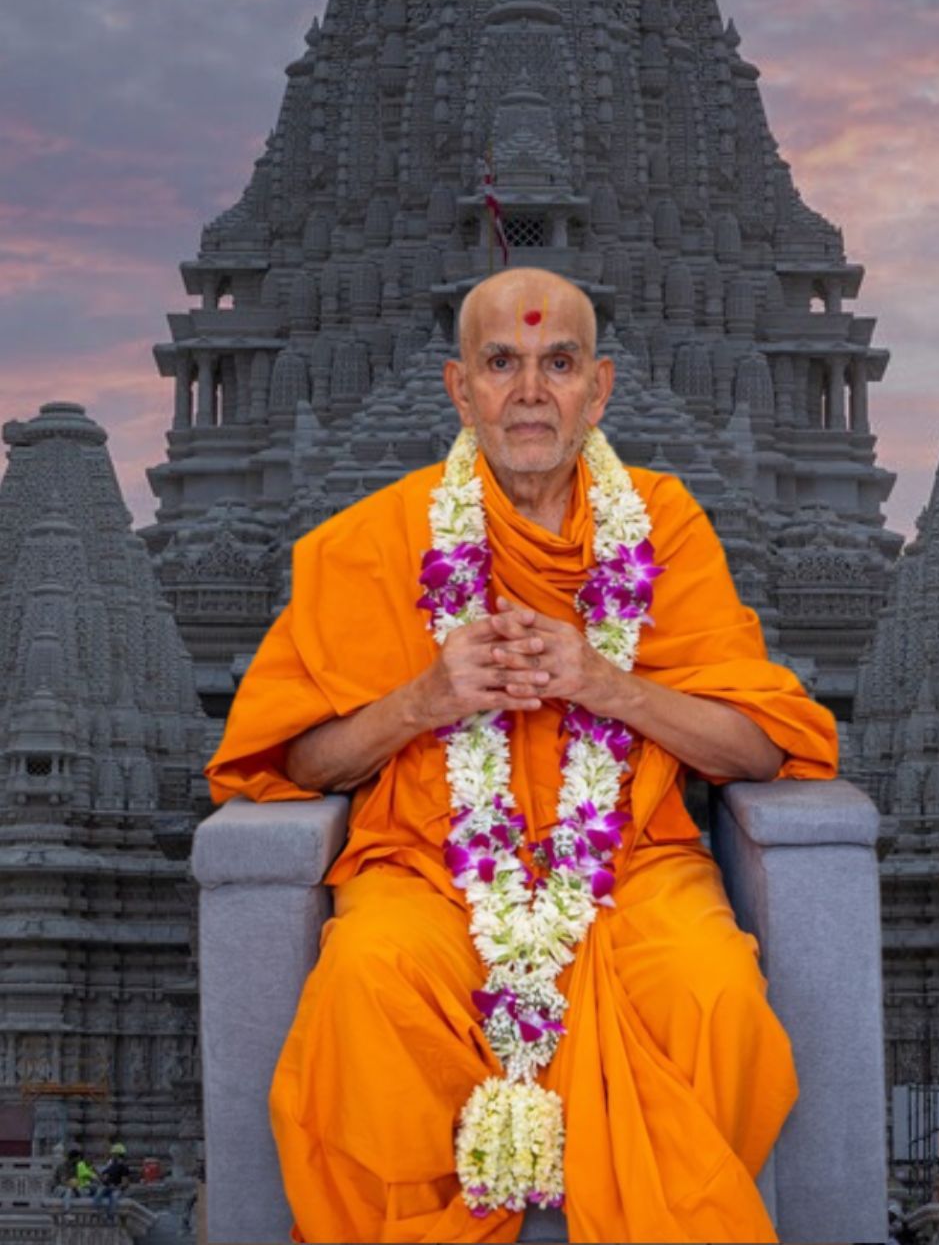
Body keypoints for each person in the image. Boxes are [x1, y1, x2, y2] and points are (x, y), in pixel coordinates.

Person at [206, 267, 840, 1245]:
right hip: (429, 870)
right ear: (461, 389)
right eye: (502, 363)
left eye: (559, 362)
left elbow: (761, 745)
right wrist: (428, 698)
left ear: (601, 387)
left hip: (630, 866)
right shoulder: (375, 541)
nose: (531, 390)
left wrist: (605, 683)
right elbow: (296, 765)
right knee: (364, 984)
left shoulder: (663, 529)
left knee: (714, 996)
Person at [93, 1140, 132, 1221]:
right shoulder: (111, 1165)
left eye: (113, 1154)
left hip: (117, 1188)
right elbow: (104, 1178)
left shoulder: (124, 1167)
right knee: (99, 1191)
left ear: (117, 1155)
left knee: (114, 1197)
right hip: (108, 1186)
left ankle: (110, 1217)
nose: (112, 1155)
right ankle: (96, 1212)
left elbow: (125, 1183)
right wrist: (96, 1173)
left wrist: (116, 1186)